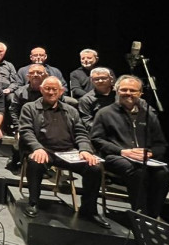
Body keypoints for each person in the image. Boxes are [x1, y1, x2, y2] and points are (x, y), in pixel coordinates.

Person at [18, 76, 110, 227]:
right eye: (47, 88)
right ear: (41, 90)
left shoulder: (71, 110)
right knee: (35, 162)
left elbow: (81, 133)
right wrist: (37, 147)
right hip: (44, 150)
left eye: (55, 89)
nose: (51, 92)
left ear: (61, 91)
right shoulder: (30, 107)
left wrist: (85, 150)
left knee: (94, 167)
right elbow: (26, 131)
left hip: (68, 152)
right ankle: (33, 202)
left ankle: (89, 209)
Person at [90, 75, 169, 218]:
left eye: (133, 90)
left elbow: (161, 144)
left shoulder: (148, 115)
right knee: (138, 172)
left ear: (140, 93)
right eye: (124, 89)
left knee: (163, 174)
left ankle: (153, 216)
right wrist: (123, 151)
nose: (128, 93)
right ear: (117, 91)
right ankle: (140, 215)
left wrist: (150, 153)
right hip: (115, 156)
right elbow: (96, 139)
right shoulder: (105, 113)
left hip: (144, 159)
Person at [6, 63, 47, 170]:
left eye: (39, 72)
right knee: (18, 146)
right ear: (28, 76)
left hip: (45, 127)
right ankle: (15, 160)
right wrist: (18, 127)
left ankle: (41, 166)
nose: (35, 75)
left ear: (45, 75)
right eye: (32, 73)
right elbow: (13, 111)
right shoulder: (20, 92)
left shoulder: (49, 92)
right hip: (23, 126)